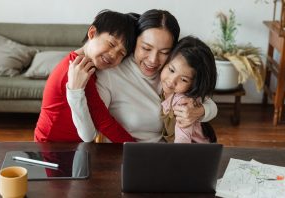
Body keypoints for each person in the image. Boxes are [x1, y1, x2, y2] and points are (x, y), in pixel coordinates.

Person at [67, 9, 218, 142]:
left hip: (164, 158)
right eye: (146, 48)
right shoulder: (111, 74)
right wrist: (75, 93)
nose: (153, 60)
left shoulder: (170, 74)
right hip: (123, 159)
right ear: (134, 42)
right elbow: (88, 135)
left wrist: (200, 112)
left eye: (164, 52)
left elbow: (208, 102)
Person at [34, 10, 138, 142]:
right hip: (51, 148)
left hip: (67, 146)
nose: (113, 55)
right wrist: (137, 150)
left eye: (121, 53)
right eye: (111, 44)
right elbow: (103, 122)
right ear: (92, 33)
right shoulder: (78, 70)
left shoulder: (88, 65)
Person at [160, 36, 217, 143]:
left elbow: (183, 138)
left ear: (194, 84)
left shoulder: (183, 102)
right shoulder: (164, 88)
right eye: (171, 70)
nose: (172, 81)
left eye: (184, 80)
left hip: (196, 151)